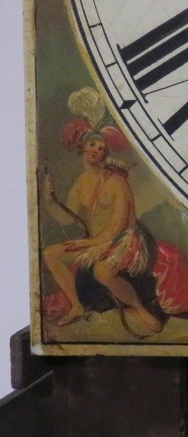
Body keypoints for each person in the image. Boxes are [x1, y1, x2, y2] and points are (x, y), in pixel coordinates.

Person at [42, 129, 164, 333]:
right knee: (51, 254)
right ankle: (77, 306)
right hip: (95, 242)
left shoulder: (117, 183)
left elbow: (117, 229)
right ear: (82, 148)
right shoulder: (81, 182)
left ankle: (140, 309)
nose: (96, 151)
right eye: (92, 145)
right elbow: (67, 219)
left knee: (102, 271)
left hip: (125, 241)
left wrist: (85, 243)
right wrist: (49, 199)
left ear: (106, 154)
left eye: (101, 148)